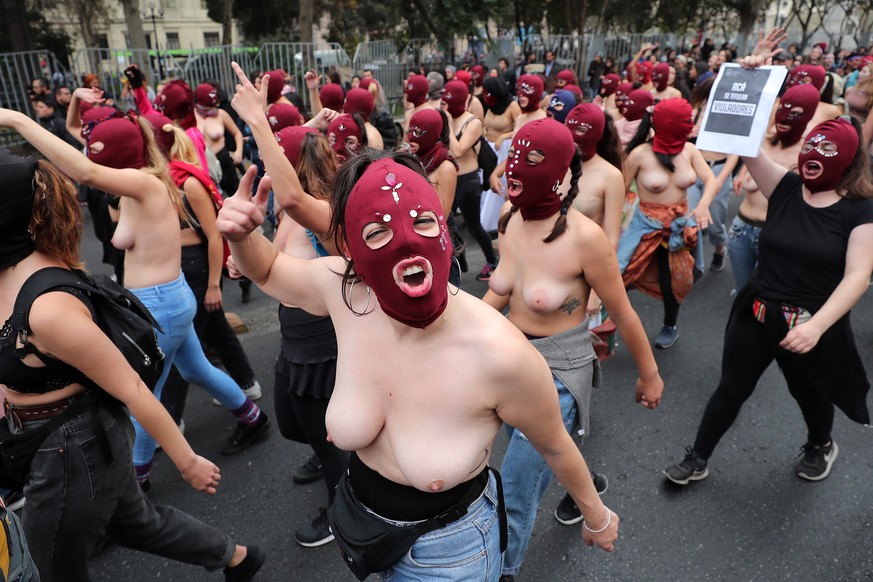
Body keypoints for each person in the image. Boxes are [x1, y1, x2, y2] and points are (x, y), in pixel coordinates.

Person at [219, 62, 620, 580]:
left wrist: (596, 514)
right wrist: (241, 236)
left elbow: (554, 445)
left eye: (425, 223)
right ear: (353, 253)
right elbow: (270, 268)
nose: (407, 243)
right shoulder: (346, 291)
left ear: (447, 236)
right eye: (379, 236)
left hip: (451, 554)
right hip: (362, 531)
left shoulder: (499, 353)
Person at [0, 148, 265, 581]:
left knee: (49, 569)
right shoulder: (14, 272)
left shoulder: (47, 308)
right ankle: (236, 557)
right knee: (138, 523)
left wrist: (187, 461)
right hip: (64, 440)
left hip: (72, 447)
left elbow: (134, 389)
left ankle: (251, 416)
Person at [480, 118, 662, 580]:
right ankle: (576, 483)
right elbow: (500, 291)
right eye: (516, 157)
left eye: (534, 161)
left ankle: (504, 571)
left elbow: (622, 314)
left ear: (564, 176)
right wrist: (451, 332)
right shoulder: (511, 220)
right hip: (508, 362)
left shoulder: (585, 238)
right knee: (535, 457)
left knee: (514, 494)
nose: (516, 170)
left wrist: (649, 374)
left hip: (558, 375)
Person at [664, 105, 873, 485]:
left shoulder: (860, 210)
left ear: (848, 161)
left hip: (809, 327)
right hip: (757, 316)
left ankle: (820, 444)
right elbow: (744, 138)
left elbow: (858, 276)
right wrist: (752, 74)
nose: (815, 157)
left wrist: (817, 328)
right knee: (731, 388)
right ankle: (698, 457)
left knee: (808, 393)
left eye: (828, 151)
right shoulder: (786, 186)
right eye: (813, 146)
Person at [619, 98, 716, 348]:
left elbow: (710, 180)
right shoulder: (639, 154)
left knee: (673, 280)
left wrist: (702, 205)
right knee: (620, 277)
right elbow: (619, 190)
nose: (690, 126)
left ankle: (670, 325)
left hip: (679, 227)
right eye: (686, 122)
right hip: (645, 227)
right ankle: (603, 326)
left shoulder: (690, 150)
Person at [729, 84, 818, 292]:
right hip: (740, 229)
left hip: (778, 234)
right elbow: (747, 105)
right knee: (742, 292)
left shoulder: (809, 153)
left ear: (808, 116)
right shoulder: (763, 140)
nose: (784, 117)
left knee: (766, 294)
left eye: (795, 113)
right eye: (781, 110)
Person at [442, 80, 500, 280]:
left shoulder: (473, 122)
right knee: (447, 225)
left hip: (467, 181)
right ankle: (458, 263)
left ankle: (492, 260)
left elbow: (457, 150)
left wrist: (447, 123)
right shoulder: (445, 116)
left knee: (474, 226)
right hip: (447, 178)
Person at [194, 82, 244, 196]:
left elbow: (237, 133)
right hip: (203, 163)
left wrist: (239, 151)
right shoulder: (192, 116)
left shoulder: (220, 114)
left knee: (237, 194)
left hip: (224, 159)